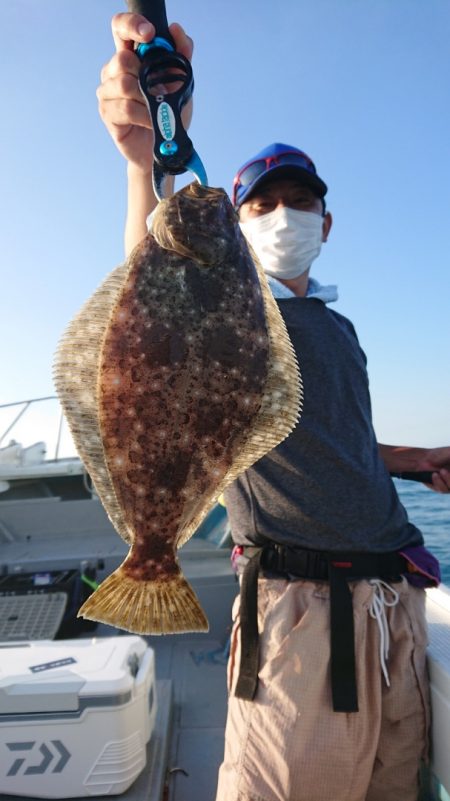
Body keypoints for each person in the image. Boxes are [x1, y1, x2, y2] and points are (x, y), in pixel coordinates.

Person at [98, 13, 450, 801]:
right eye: (262, 205)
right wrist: (143, 161)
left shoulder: (337, 326)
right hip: (301, 622)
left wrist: (414, 459)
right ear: (239, 224)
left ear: (327, 222)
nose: (283, 214)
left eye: (299, 201)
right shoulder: (231, 308)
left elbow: (330, 439)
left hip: (392, 608)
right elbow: (153, 289)